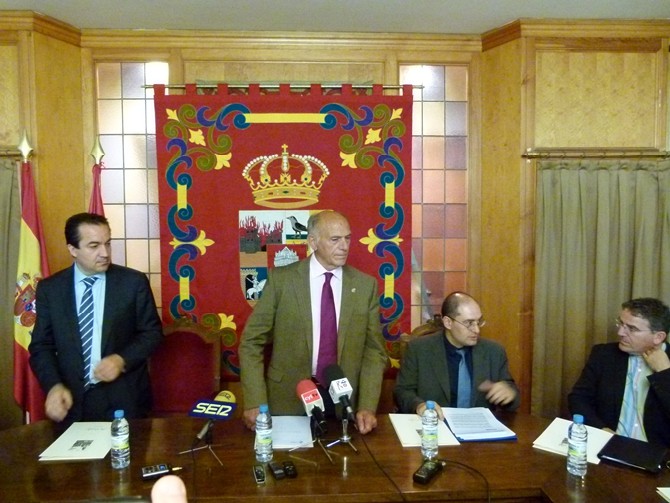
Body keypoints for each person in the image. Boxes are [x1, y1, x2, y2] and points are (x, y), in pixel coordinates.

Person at [239, 210, 388, 434]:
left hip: (344, 402)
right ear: (313, 241)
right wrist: (254, 401)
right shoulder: (282, 280)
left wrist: (367, 406)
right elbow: (251, 342)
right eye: (335, 239)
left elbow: (374, 351)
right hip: (289, 398)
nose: (344, 246)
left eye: (347, 238)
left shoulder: (365, 286)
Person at [29, 212, 163, 424]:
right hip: (72, 401)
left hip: (124, 398)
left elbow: (152, 333)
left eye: (107, 244)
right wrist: (54, 386)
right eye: (94, 246)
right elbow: (41, 346)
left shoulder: (133, 283)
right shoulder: (51, 289)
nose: (105, 253)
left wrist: (121, 359)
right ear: (72, 249)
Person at [394, 291, 520, 418]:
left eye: (479, 322)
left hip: (478, 426)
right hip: (435, 424)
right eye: (469, 323)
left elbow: (512, 397)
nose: (476, 330)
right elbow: (402, 391)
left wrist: (509, 393)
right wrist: (419, 405)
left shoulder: (494, 352)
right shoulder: (419, 349)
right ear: (448, 322)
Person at [568, 297, 670, 447]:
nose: (621, 332)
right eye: (621, 324)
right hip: (608, 445)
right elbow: (578, 399)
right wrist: (602, 430)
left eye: (632, 329)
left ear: (658, 337)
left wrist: (665, 373)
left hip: (657, 452)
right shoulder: (604, 354)